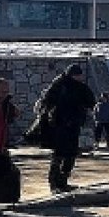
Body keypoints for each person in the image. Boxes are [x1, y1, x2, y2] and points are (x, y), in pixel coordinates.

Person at [42, 63, 96, 193]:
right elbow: (48, 101)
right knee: (59, 154)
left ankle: (63, 181)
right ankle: (54, 183)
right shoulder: (59, 85)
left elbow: (91, 101)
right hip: (59, 125)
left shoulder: (81, 87)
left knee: (71, 154)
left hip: (74, 124)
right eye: (75, 75)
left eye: (79, 75)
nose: (78, 77)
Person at [0, 77, 18, 154]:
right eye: (3, 91)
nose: (5, 93)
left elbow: (16, 113)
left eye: (6, 91)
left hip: (0, 145)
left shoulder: (6, 103)